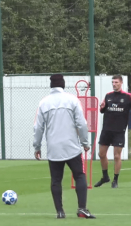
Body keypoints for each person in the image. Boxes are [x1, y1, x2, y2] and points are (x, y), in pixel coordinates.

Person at [33, 74, 95, 219]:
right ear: (63, 84)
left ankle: (60, 212)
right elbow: (82, 123)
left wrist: (37, 147)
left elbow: (38, 127)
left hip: (54, 149)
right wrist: (85, 142)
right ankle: (82, 209)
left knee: (56, 180)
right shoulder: (72, 99)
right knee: (79, 175)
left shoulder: (44, 102)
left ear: (51, 85)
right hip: (71, 147)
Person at [94, 75, 131, 188]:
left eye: (116, 82)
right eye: (113, 82)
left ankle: (115, 180)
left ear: (121, 83)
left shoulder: (128, 97)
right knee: (101, 154)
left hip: (119, 131)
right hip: (106, 130)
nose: (114, 84)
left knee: (116, 156)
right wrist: (101, 107)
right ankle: (105, 177)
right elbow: (102, 110)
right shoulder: (108, 96)